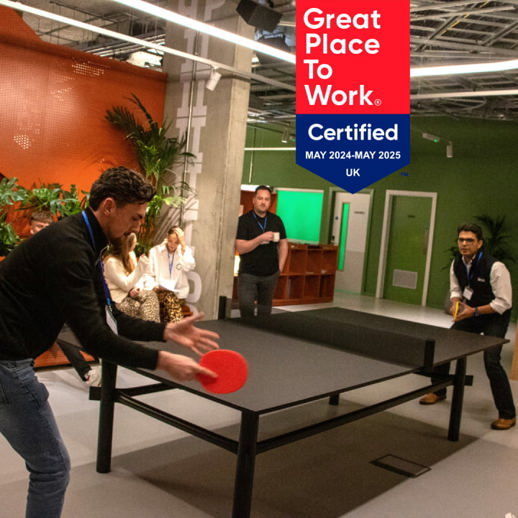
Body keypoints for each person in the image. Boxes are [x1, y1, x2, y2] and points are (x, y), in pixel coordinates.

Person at [0, 166, 219, 518]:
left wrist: (166, 330)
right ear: (109, 206)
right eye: (134, 217)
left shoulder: (83, 240)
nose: (138, 226)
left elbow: (111, 319)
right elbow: (96, 339)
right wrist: (163, 362)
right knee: (52, 468)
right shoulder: (69, 247)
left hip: (9, 358)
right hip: (6, 363)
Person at [419, 223, 516, 430]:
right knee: (444, 345)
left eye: (469, 240)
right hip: (470, 313)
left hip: (494, 317)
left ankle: (508, 413)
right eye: (461, 240)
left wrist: (474, 311)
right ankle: (438, 390)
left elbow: (504, 302)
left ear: (479, 243)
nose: (464, 244)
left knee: (491, 360)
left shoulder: (496, 267)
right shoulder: (457, 263)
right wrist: (456, 301)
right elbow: (456, 288)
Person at [29, 209, 102, 386]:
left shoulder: (57, 249)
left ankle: (99, 367)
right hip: (32, 308)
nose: (43, 230)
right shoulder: (23, 252)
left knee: (81, 322)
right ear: (30, 228)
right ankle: (86, 372)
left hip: (59, 304)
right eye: (39, 226)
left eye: (47, 227)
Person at [235, 185, 288, 317]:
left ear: (270, 201)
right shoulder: (244, 221)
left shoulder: (276, 220)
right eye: (260, 198)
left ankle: (261, 337)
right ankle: (246, 336)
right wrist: (259, 239)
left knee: (265, 313)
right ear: (254, 200)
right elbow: (240, 247)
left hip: (270, 275)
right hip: (248, 274)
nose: (263, 202)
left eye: (266, 199)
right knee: (246, 308)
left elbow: (283, 244)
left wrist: (280, 267)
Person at [141, 226, 195, 323]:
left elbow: (189, 266)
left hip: (178, 294)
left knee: (167, 306)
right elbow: (148, 275)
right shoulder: (155, 251)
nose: (172, 245)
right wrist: (154, 286)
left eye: (176, 242)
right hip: (158, 292)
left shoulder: (184, 251)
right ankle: (179, 327)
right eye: (170, 241)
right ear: (166, 237)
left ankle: (166, 331)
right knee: (168, 297)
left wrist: (183, 246)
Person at [103, 232, 160, 322]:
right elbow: (126, 285)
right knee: (137, 306)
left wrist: (136, 288)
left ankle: (152, 330)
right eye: (134, 243)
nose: (136, 245)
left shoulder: (130, 255)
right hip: (117, 300)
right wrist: (141, 266)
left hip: (128, 294)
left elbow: (134, 280)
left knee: (151, 295)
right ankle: (151, 331)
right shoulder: (112, 262)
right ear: (127, 245)